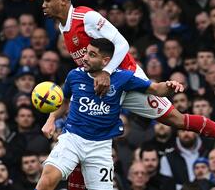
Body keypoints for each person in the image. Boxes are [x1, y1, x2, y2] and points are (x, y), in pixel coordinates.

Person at [41, 0, 215, 188]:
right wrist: (52, 118)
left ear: (64, 0)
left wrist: (108, 72)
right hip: (101, 84)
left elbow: (122, 43)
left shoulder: (86, 17)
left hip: (125, 78)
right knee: (82, 135)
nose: (43, 5)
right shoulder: (62, 27)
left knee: (177, 119)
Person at [35, 38, 184, 190]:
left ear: (105, 61)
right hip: (72, 139)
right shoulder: (74, 75)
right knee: (47, 180)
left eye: (92, 55)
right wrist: (51, 119)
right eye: (86, 52)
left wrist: (170, 85)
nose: (85, 57)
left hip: (101, 146)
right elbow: (64, 101)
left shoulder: (123, 77)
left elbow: (157, 89)